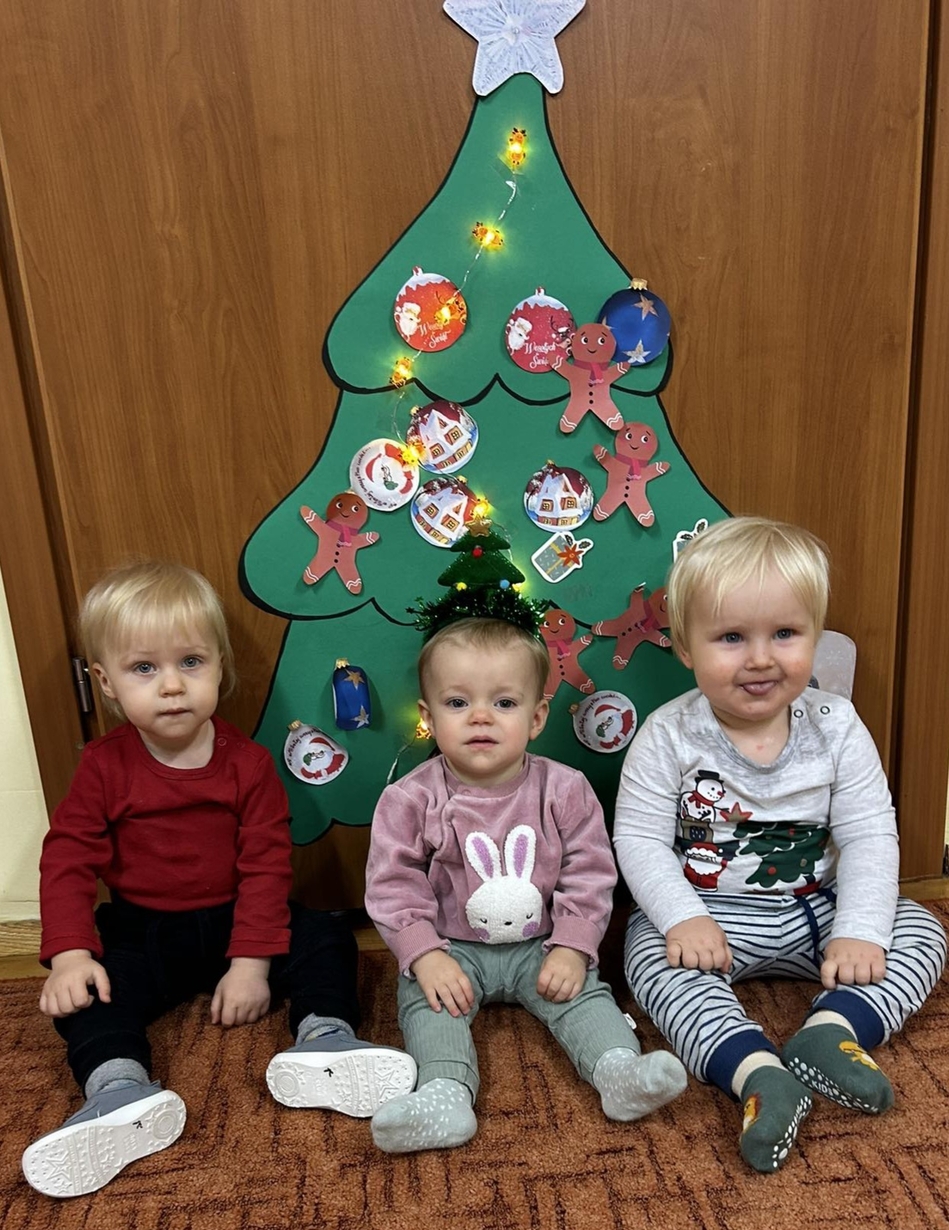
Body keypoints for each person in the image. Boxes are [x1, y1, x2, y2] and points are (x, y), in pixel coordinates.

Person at [22, 561, 415, 1198]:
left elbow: (266, 864)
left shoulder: (248, 765)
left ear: (220, 667)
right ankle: (117, 1089)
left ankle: (327, 1039)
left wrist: (251, 964)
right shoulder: (102, 767)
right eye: (144, 668)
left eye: (191, 662)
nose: (172, 686)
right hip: (143, 931)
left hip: (240, 917)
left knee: (325, 938)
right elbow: (67, 857)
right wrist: (69, 955)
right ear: (106, 683)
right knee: (88, 993)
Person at [612, 516, 947, 1174]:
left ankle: (832, 1030)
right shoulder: (666, 735)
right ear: (686, 647)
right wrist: (682, 918)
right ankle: (756, 1072)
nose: (761, 658)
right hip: (710, 917)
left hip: (814, 910)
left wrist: (859, 930)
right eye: (732, 637)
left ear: (813, 636)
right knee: (645, 952)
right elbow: (639, 839)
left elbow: (868, 832)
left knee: (919, 928)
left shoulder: (835, 725)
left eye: (785, 634)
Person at [364, 615, 687, 1154]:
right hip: (451, 949)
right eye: (458, 702)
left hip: (543, 944)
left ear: (536, 717)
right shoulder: (409, 799)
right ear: (428, 717)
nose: (481, 717)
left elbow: (590, 871)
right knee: (427, 1002)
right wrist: (423, 954)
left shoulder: (564, 789)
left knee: (584, 994)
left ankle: (617, 1070)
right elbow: (392, 883)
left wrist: (573, 945)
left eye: (504, 703)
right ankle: (445, 1094)